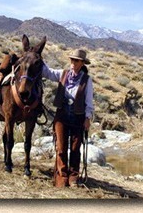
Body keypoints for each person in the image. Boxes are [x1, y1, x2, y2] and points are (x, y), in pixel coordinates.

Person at [42, 49, 94, 187]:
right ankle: (62, 175)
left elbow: (89, 101)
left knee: (76, 148)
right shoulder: (63, 74)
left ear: (82, 63)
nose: (73, 63)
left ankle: (73, 177)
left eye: (76, 60)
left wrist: (87, 118)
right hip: (62, 115)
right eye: (72, 60)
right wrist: (37, 58)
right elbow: (48, 72)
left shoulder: (87, 80)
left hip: (78, 116)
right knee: (61, 147)